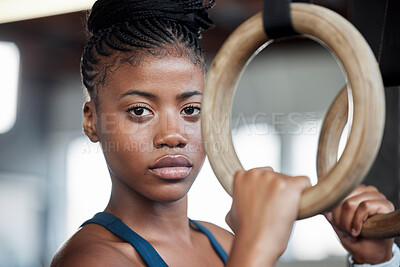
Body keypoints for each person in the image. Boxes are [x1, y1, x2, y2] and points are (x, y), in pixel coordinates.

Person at [51, 0, 399, 266]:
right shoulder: (93, 258)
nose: (173, 135)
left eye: (191, 110)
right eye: (140, 111)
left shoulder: (227, 243)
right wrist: (258, 247)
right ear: (91, 121)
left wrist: (374, 261)